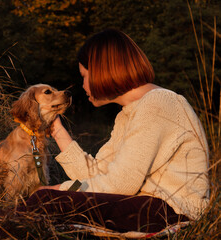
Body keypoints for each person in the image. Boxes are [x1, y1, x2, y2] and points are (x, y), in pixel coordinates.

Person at [25, 28, 210, 232]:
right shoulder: (128, 114)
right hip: (143, 203)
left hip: (171, 210)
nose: (83, 85)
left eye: (84, 76)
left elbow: (122, 183)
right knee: (47, 202)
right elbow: (95, 175)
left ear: (103, 72)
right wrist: (58, 131)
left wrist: (61, 190)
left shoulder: (158, 103)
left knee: (47, 201)